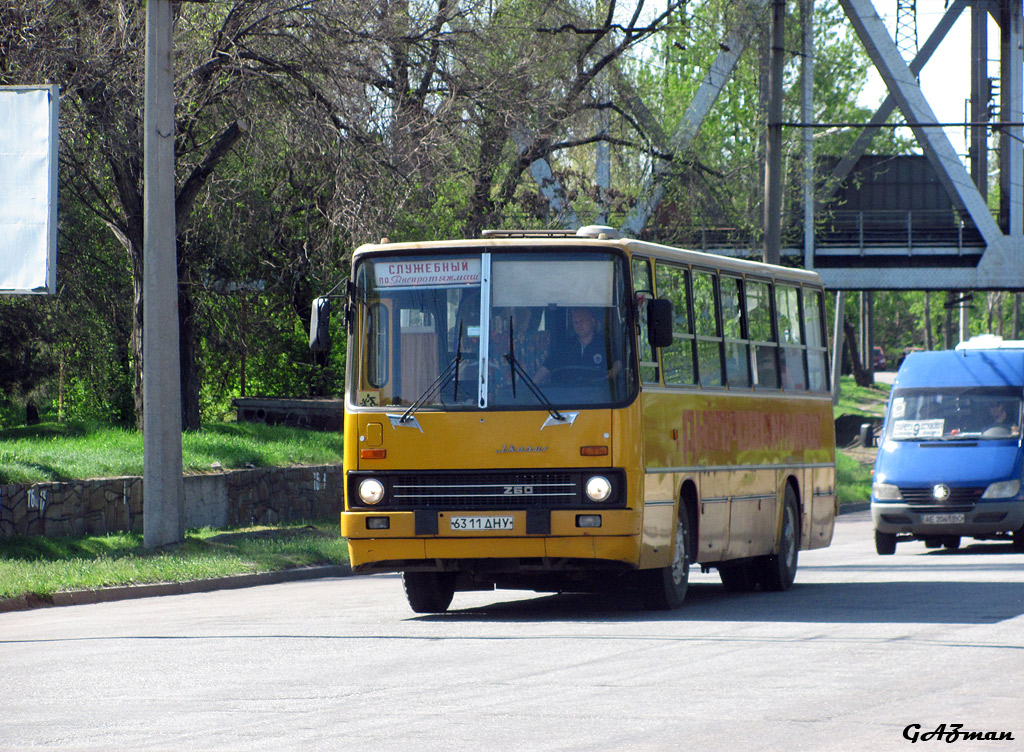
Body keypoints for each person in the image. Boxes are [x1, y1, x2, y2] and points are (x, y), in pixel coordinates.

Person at [535, 307, 619, 383]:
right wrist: (531, 387)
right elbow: (546, 368)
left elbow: (618, 362)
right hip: (568, 395)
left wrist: (614, 371)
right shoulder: (566, 346)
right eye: (576, 322)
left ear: (592, 321)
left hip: (598, 395)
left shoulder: (605, 344)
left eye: (582, 321)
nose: (578, 325)